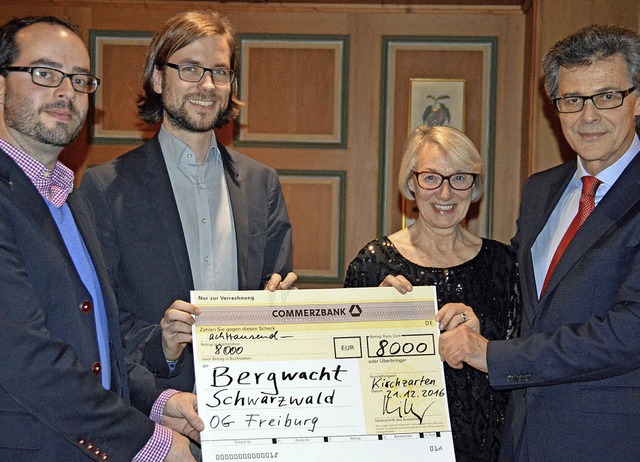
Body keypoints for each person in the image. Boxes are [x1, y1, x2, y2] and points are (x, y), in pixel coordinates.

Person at [0, 16, 203, 461]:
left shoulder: (72, 198)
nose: (66, 91)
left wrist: (157, 403)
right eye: (45, 73)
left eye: (79, 80)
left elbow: (99, 346)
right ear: (1, 86)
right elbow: (27, 360)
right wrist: (148, 443)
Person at [438, 25, 640, 461]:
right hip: (523, 436)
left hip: (611, 442)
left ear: (637, 100)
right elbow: (528, 307)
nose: (589, 116)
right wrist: (479, 325)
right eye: (572, 100)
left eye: (607, 96)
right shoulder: (542, 191)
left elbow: (630, 331)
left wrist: (496, 356)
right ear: (556, 108)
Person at [80, 10, 295, 393]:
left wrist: (282, 305)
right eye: (191, 69)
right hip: (156, 410)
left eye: (220, 71)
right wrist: (160, 344)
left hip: (254, 402)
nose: (208, 85)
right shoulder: (104, 187)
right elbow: (99, 313)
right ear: (159, 78)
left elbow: (275, 286)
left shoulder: (263, 183)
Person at [344, 125, 520, 461]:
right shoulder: (374, 263)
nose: (445, 193)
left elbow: (523, 359)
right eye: (431, 178)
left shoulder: (504, 264)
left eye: (459, 178)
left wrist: (484, 336)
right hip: (398, 448)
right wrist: (374, 318)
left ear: (474, 185)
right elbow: (345, 375)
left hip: (488, 448)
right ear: (411, 183)